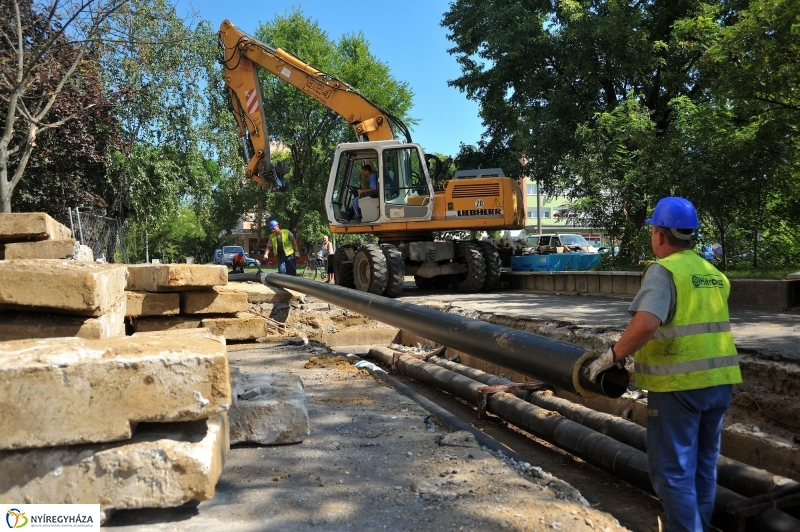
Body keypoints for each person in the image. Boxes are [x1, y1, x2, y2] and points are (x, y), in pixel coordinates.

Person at [585, 196, 741, 532]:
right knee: (702, 467)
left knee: (672, 471)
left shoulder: (664, 271)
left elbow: (646, 324)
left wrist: (612, 356)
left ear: (658, 234)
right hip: (719, 384)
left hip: (678, 387)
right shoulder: (712, 273)